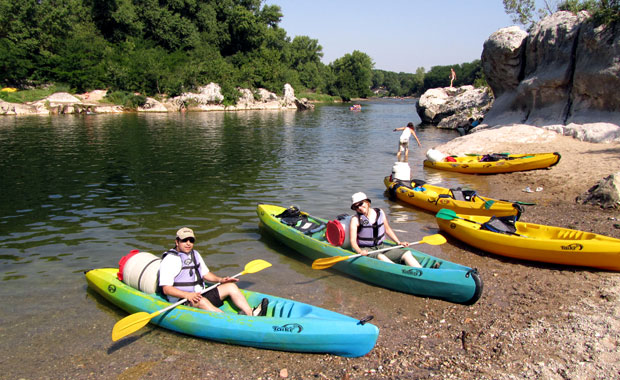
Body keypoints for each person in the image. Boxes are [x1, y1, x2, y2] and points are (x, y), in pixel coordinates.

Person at [159, 227, 268, 316]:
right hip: (182, 300)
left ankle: (250, 313)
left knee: (231, 286)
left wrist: (220, 280)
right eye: (184, 240)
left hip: (201, 294)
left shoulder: (195, 254)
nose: (188, 243)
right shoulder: (170, 259)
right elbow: (166, 289)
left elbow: (205, 274)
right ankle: (229, 320)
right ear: (177, 241)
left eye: (191, 240)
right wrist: (187, 295)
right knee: (202, 301)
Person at [348, 192, 422, 267]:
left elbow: (387, 229)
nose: (359, 208)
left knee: (407, 253)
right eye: (356, 207)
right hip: (366, 248)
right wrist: (360, 251)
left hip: (381, 246)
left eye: (360, 204)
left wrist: (398, 242)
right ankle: (398, 271)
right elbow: (353, 241)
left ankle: (421, 271)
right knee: (381, 257)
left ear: (367, 202)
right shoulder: (355, 219)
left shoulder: (380, 212)